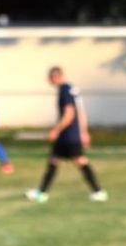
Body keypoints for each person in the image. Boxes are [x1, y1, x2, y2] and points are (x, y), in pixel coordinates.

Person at [25, 67, 107, 204]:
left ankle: (98, 191)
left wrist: (56, 130)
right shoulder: (71, 89)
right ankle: (42, 193)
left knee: (77, 161)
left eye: (49, 77)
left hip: (68, 135)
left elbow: (69, 114)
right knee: (55, 160)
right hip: (72, 135)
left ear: (55, 77)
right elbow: (81, 111)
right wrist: (84, 132)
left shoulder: (64, 90)